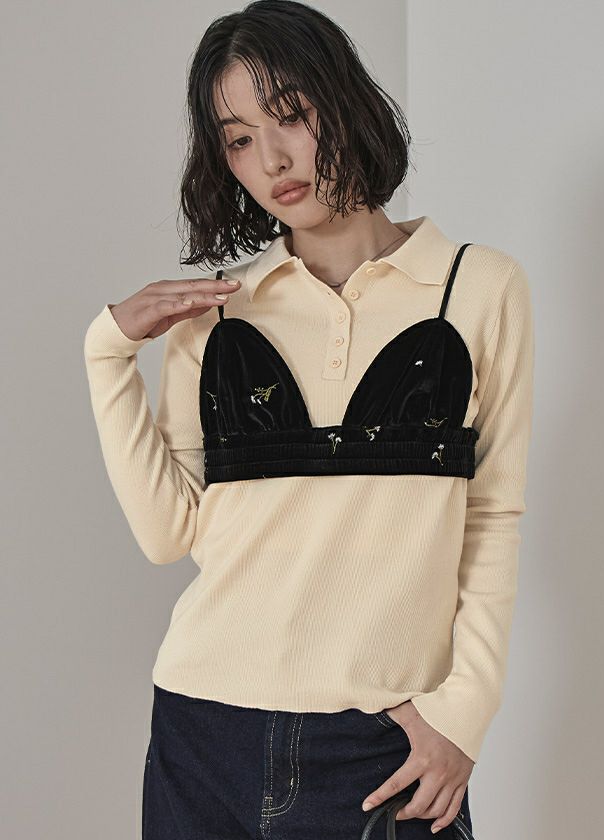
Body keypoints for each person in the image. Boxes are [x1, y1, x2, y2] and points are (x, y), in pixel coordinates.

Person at [83, 2, 534, 838]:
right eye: (238, 139)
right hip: (204, 732)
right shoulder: (216, 316)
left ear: (344, 102)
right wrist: (107, 353)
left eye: (290, 114)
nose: (273, 160)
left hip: (381, 745)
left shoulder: (477, 289)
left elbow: (492, 516)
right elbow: (167, 533)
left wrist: (462, 717)